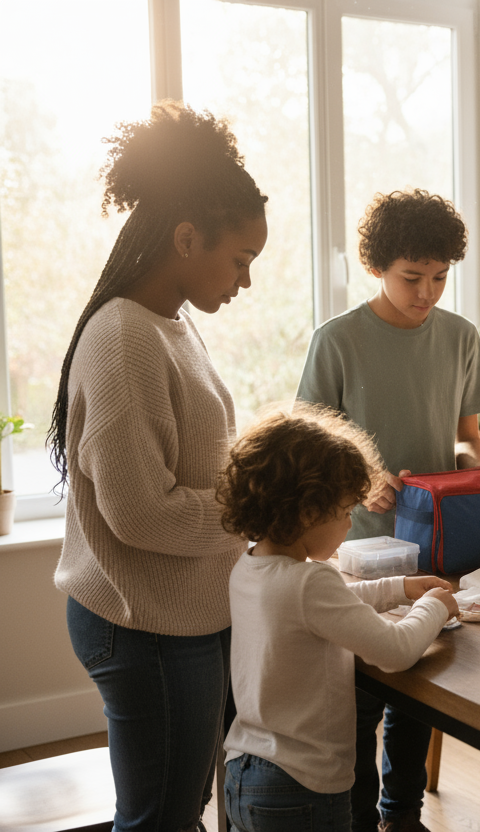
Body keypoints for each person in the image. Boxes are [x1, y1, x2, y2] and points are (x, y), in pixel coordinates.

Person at [49, 101, 268, 831]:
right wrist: (252, 512)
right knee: (161, 818)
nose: (245, 281)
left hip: (176, 612)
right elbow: (140, 511)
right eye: (240, 260)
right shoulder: (124, 338)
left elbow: (192, 461)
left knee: (179, 809)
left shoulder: (171, 325)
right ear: (186, 238)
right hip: (143, 620)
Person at [296, 189, 480, 832]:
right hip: (353, 547)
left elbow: (470, 437)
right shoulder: (338, 340)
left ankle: (401, 813)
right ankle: (355, 816)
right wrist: (363, 479)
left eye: (440, 277)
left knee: (422, 682)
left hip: (438, 542)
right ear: (378, 265)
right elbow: (308, 444)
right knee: (358, 693)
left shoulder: (460, 337)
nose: (427, 292)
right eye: (413, 277)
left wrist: (475, 471)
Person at [219, 406, 458, 831]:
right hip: (301, 786)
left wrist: (398, 588)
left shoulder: (250, 566)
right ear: (309, 512)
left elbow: (329, 605)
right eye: (346, 511)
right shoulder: (310, 583)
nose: (350, 523)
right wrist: (435, 606)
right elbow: (396, 651)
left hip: (244, 773)